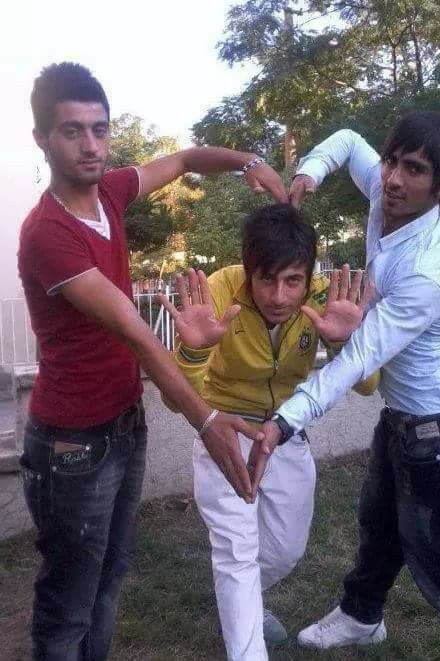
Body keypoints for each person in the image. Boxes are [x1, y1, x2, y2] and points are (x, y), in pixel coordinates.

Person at [17, 61, 288, 661]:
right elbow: (139, 333)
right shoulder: (47, 234)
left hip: (122, 426)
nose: (91, 145)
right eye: (72, 131)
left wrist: (250, 162)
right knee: (68, 605)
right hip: (72, 446)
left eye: (100, 129)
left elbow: (187, 160)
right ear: (42, 138)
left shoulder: (110, 193)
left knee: (109, 583)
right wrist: (209, 421)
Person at [258, 112, 440, 659]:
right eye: (392, 161)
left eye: (414, 169)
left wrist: (285, 421)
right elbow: (345, 139)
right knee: (379, 522)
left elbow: (360, 355)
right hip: (402, 417)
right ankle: (361, 617)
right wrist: (311, 171)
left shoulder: (433, 268)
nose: (393, 178)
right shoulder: (385, 193)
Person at [159, 203, 378, 661]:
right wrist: (194, 353)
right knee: (237, 554)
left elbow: (367, 386)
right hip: (224, 432)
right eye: (266, 279)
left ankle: (241, 602)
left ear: (308, 275)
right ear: (247, 270)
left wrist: (345, 342)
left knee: (284, 551)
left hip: (286, 433)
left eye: (292, 281)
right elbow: (172, 397)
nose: (279, 295)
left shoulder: (326, 296)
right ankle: (246, 639)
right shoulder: (217, 290)